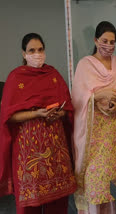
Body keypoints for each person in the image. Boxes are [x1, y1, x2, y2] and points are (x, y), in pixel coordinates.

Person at [0, 33, 76, 214]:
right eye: (32, 50)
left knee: (57, 203)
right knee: (29, 205)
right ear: (24, 53)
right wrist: (36, 113)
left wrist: (59, 113)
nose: (37, 54)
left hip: (55, 153)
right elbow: (8, 116)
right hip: (28, 153)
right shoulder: (15, 78)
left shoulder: (53, 75)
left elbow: (68, 108)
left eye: (40, 49)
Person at [72, 21, 116, 214]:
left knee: (111, 181)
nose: (108, 45)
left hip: (113, 132)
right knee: (94, 178)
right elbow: (78, 99)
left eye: (112, 42)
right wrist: (100, 95)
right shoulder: (84, 65)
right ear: (96, 40)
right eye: (104, 40)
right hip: (93, 136)